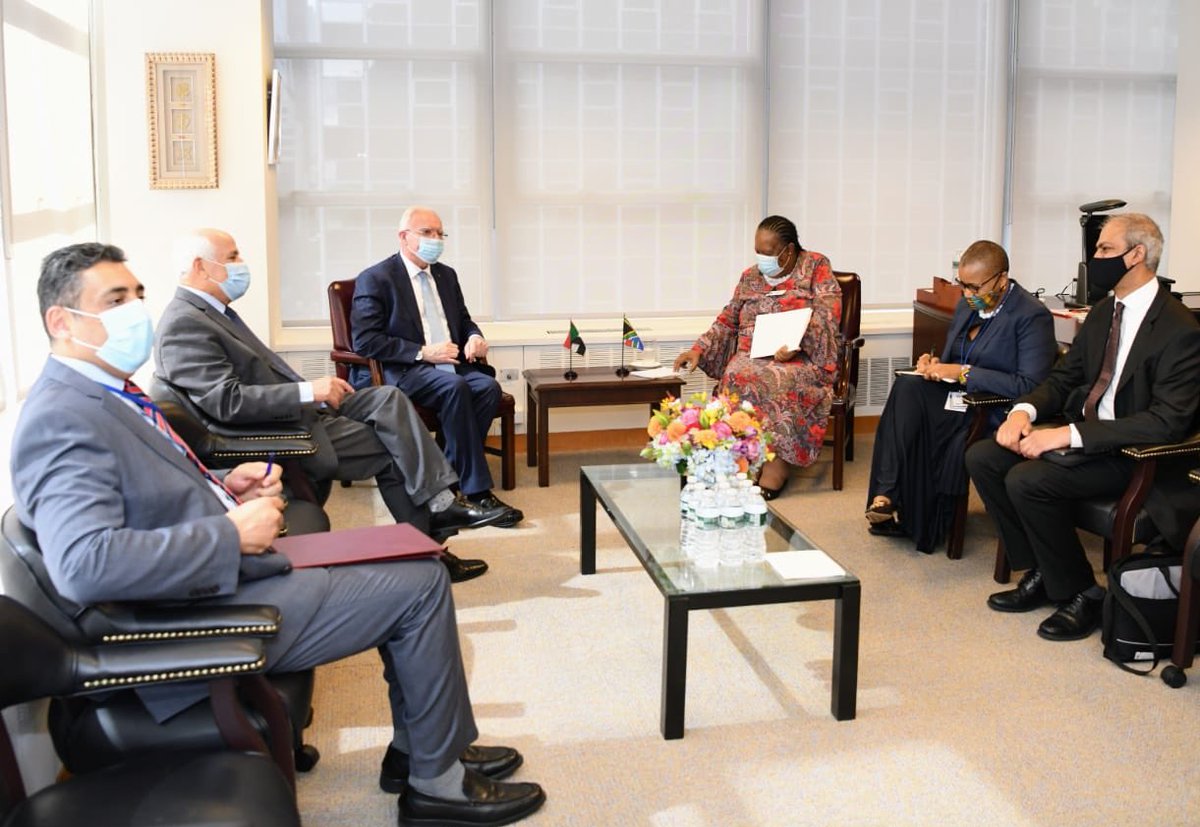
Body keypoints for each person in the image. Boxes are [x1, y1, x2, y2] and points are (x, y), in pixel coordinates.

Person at [10, 243, 546, 826]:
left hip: (215, 580)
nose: (136, 310)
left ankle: (421, 751)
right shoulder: (62, 416)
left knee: (413, 561)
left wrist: (223, 485)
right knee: (420, 587)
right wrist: (229, 533)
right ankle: (437, 786)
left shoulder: (104, 391)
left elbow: (140, 495)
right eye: (115, 300)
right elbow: (85, 564)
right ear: (61, 321)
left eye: (137, 295)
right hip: (195, 613)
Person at [155, 228, 505, 584]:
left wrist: (315, 392)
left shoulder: (214, 313)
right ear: (200, 266)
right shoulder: (185, 322)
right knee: (394, 444)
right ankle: (432, 548)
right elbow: (226, 402)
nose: (241, 263)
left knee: (387, 398)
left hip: (298, 409)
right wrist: (308, 392)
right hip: (276, 428)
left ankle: (441, 504)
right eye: (232, 257)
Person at [965, 213, 1200, 641]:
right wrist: (1023, 412)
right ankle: (1043, 569)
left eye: (1105, 249)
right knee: (984, 456)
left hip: (1133, 454)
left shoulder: (1179, 328)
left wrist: (1067, 435)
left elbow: (1166, 422)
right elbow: (1063, 379)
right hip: (1091, 439)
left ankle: (1083, 594)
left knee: (1028, 480)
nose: (1095, 258)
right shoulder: (1105, 312)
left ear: (1137, 255)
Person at [864, 240, 1057, 552]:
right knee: (907, 387)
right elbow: (953, 357)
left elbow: (1030, 384)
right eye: (963, 285)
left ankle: (893, 496)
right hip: (956, 398)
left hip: (992, 409)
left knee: (916, 410)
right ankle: (885, 495)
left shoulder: (1031, 316)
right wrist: (933, 364)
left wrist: (964, 373)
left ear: (1002, 279)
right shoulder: (968, 306)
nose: (967, 294)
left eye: (975, 287)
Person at [351, 207, 522, 526]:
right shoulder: (376, 278)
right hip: (407, 369)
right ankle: (478, 493)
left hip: (451, 364)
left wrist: (474, 337)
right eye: (427, 232)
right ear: (404, 237)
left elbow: (464, 320)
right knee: (455, 388)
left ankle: (448, 480)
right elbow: (365, 341)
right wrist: (422, 352)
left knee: (487, 387)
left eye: (440, 233)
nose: (436, 239)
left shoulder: (446, 275)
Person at [673, 215, 841, 498]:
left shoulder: (816, 266)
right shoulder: (750, 277)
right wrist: (698, 349)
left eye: (768, 253)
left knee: (778, 378)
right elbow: (728, 319)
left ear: (788, 250)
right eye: (758, 251)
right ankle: (747, 457)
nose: (762, 259)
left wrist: (797, 342)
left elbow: (828, 313)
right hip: (753, 353)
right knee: (735, 374)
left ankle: (777, 464)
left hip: (801, 358)